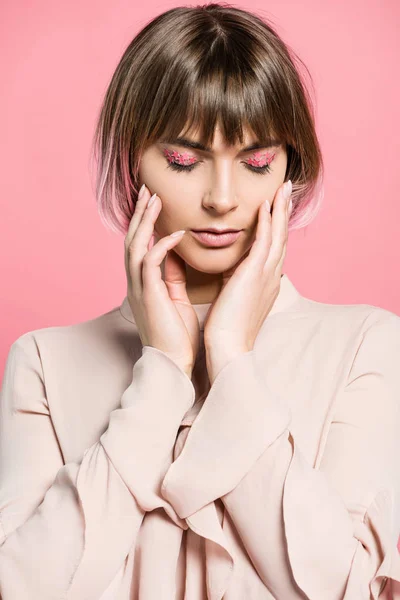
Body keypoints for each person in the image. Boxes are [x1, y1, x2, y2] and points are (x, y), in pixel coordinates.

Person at [0, 3, 399, 599]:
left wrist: (232, 360)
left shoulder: (366, 345)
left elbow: (348, 590)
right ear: (135, 161)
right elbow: (27, 589)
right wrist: (162, 374)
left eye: (257, 162)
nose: (222, 197)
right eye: (185, 161)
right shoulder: (44, 362)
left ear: (290, 169)